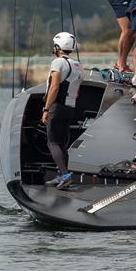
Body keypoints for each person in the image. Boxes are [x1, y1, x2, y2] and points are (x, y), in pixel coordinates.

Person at [41, 32, 84, 190]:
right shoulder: (78, 66)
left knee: (53, 142)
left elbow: (54, 87)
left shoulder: (58, 63)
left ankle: (65, 176)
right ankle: (61, 175)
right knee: (62, 143)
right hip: (70, 107)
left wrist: (46, 108)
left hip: (56, 107)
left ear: (58, 47)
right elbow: (77, 90)